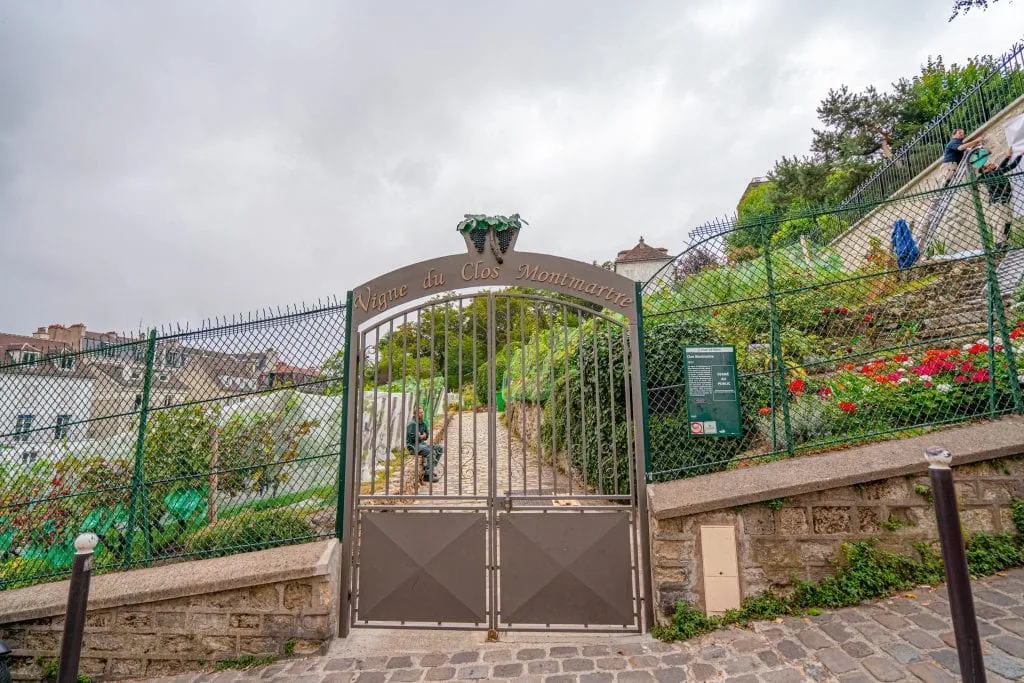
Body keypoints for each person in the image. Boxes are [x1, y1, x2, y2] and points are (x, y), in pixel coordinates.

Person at [978, 150, 1023, 246]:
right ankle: (1000, 245)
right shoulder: (992, 175)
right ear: (986, 170)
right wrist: (1020, 155)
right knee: (1001, 224)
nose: (991, 163)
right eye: (988, 165)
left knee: (1006, 223)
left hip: (1002, 202)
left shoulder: (992, 175)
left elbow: (1001, 168)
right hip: (999, 203)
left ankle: (1003, 243)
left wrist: (1008, 157)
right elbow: (1012, 166)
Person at [406, 406, 442, 483]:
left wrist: (421, 436)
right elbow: (413, 438)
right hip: (413, 446)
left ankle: (430, 470)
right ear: (415, 414)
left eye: (422, 412)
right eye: (420, 413)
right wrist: (421, 436)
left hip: (422, 444)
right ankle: (427, 476)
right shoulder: (412, 424)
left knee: (439, 448)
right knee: (431, 452)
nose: (422, 414)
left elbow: (427, 436)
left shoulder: (423, 423)